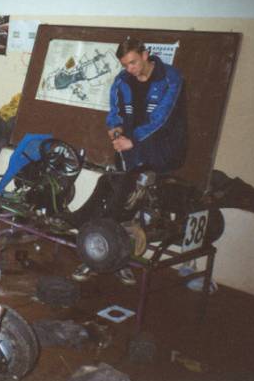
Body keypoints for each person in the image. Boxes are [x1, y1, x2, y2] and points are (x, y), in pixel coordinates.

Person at [73, 37, 186, 286]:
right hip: (129, 148)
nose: (130, 69)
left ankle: (106, 252)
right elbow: (114, 112)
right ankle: (99, 246)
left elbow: (162, 118)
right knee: (111, 186)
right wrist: (115, 130)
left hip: (162, 150)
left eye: (133, 62)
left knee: (126, 198)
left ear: (145, 54)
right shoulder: (122, 80)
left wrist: (131, 140)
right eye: (125, 65)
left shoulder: (171, 78)